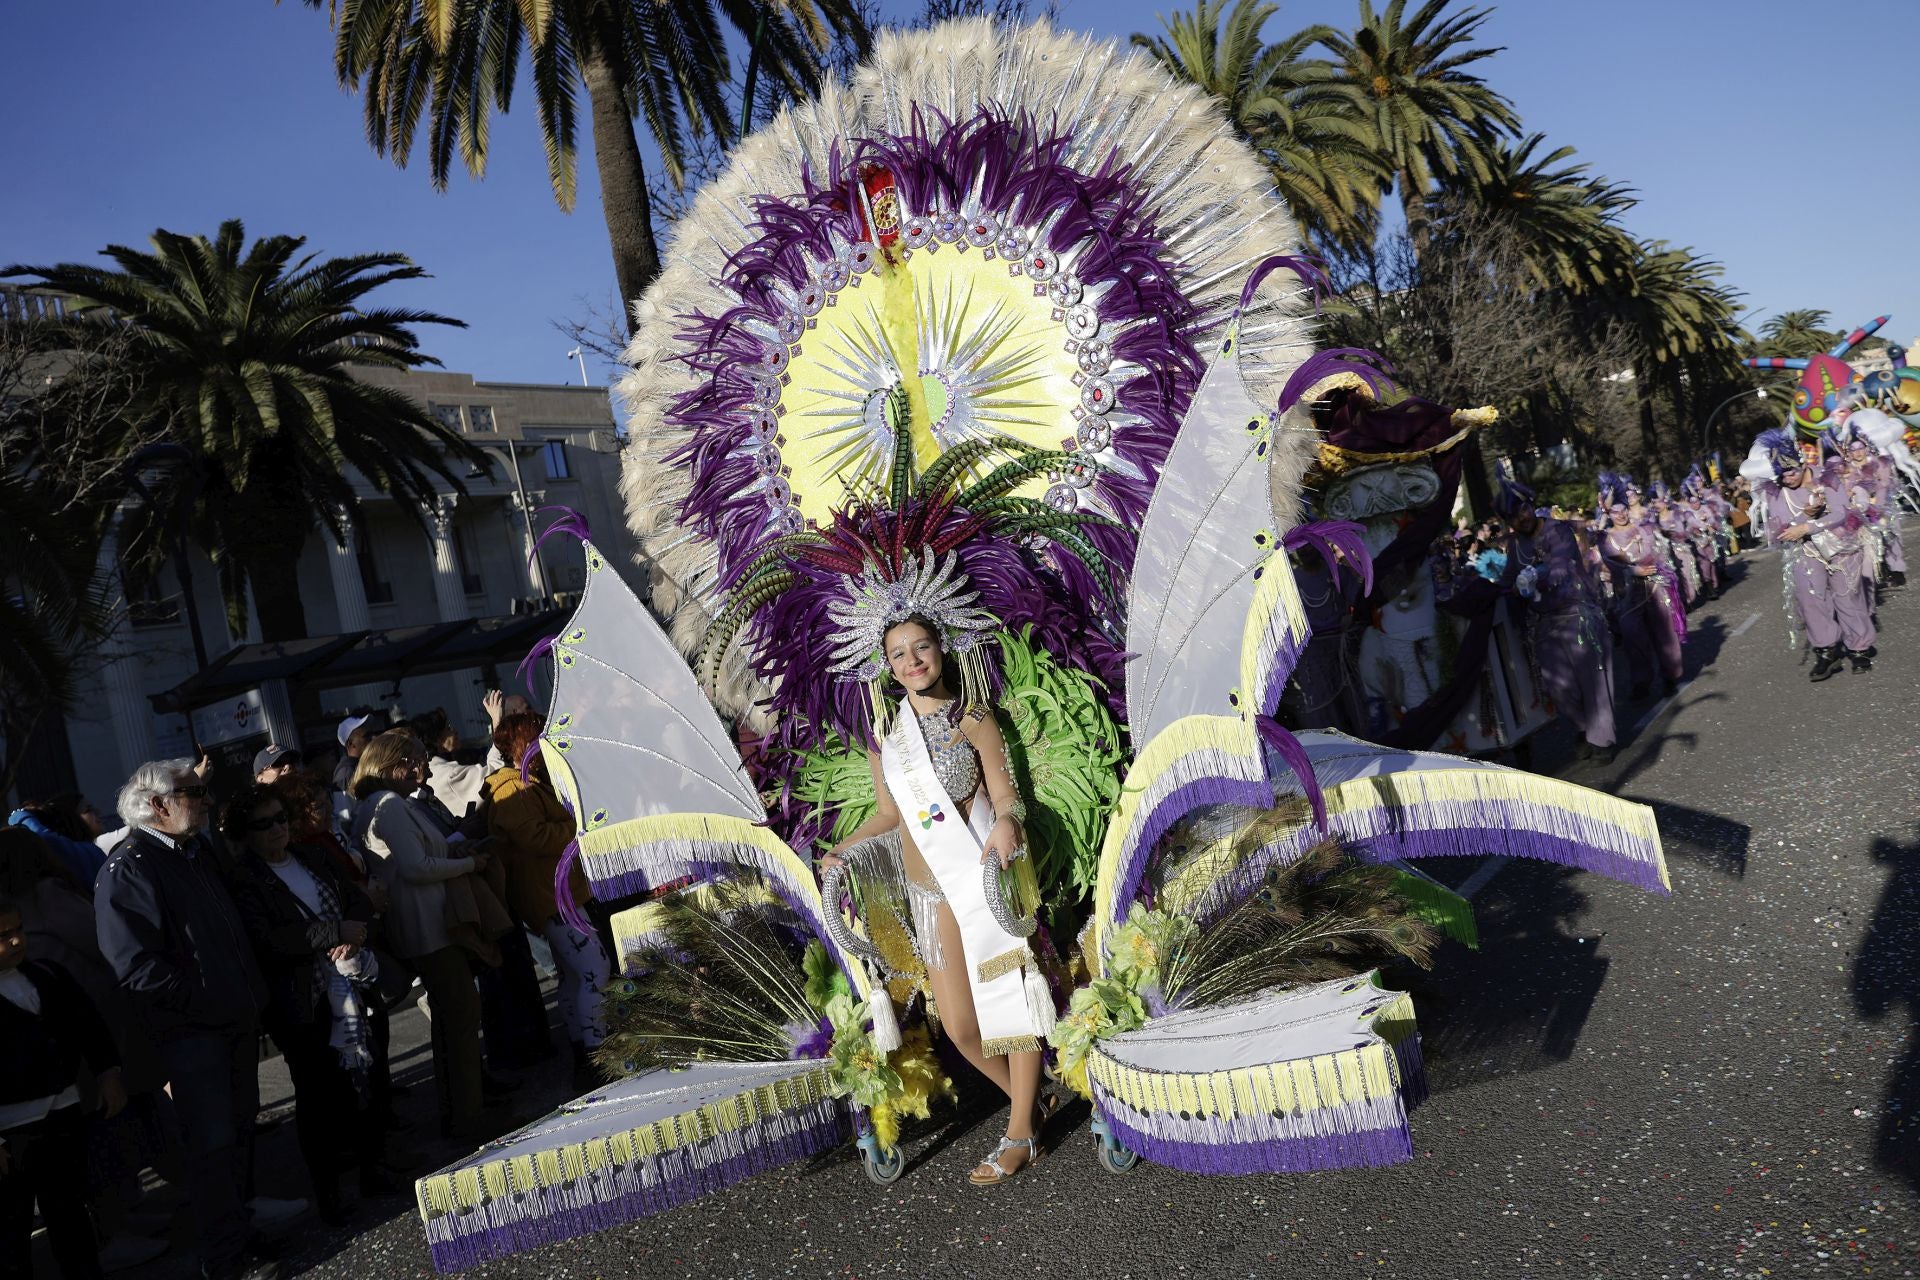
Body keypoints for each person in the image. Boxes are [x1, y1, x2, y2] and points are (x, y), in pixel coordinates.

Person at [820, 610, 1056, 1186]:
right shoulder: (887, 739)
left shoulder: (973, 718)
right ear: (888, 666)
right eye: (899, 654)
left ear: (941, 650)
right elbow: (888, 815)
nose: (912, 661)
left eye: (921, 647)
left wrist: (1005, 825)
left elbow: (1007, 799)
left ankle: (1021, 1131)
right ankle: (1034, 1100)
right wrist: (841, 850)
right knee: (960, 1027)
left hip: (981, 875)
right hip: (928, 892)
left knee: (1007, 1005)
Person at [94, 759, 280, 1280]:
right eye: (192, 791)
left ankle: (241, 1234)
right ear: (157, 805)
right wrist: (208, 1003)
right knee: (211, 1145)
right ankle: (224, 1260)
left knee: (238, 1134)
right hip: (192, 1034)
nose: (204, 798)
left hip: (231, 1022)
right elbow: (136, 968)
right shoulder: (131, 866)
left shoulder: (191, 852)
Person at [223, 785, 389, 1225]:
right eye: (264, 823)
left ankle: (374, 1169)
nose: (277, 828)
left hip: (350, 986)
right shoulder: (245, 880)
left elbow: (357, 899)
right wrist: (333, 933)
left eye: (281, 817)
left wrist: (355, 929)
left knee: (364, 1076)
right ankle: (329, 1195)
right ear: (245, 833)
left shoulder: (311, 856)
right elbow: (267, 941)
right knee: (318, 1098)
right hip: (300, 1002)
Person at [350, 732, 508, 1140]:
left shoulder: (384, 804)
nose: (423, 768)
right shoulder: (388, 805)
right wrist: (469, 864)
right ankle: (467, 1119)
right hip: (428, 927)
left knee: (451, 1020)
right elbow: (417, 868)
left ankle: (461, 1112)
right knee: (460, 1017)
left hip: (425, 923)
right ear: (391, 767)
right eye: (416, 760)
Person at [0, 896, 126, 1280]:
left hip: (63, 1110)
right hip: (11, 1130)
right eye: (2, 936)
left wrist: (108, 1073)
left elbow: (89, 1025)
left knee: (70, 1211)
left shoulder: (47, 974)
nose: (16, 941)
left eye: (18, 930)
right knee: (11, 1230)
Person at [484, 712, 610, 1078]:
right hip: (551, 896)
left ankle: (586, 1055)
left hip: (556, 893)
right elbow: (534, 837)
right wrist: (579, 826)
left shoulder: (524, 782)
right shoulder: (513, 787)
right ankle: (596, 1056)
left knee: (576, 976)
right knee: (593, 970)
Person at [1494, 469, 1618, 763]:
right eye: (1512, 517)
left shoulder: (1557, 530)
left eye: (1522, 510)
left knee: (1594, 682)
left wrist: (1536, 574)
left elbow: (1561, 563)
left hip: (1578, 616)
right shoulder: (1515, 545)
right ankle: (1585, 727)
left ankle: (1602, 740)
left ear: (1531, 505)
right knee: (1559, 687)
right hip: (1547, 625)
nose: (1520, 519)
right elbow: (1507, 579)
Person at [1754, 428, 1877, 679]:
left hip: (1842, 546)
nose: (1788, 478)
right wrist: (1804, 517)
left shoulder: (1826, 477)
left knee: (1847, 597)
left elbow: (1841, 512)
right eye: (1782, 474)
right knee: (1811, 600)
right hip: (1806, 550)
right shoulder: (1777, 491)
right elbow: (1781, 528)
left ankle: (1859, 649)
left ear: (1802, 464)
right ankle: (1826, 651)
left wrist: (1809, 525)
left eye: (1791, 472)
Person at [1597, 488, 1684, 700]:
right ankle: (1641, 681)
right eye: (1615, 511)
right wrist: (1631, 570)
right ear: (1608, 513)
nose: (1621, 514)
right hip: (1627, 595)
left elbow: (1652, 551)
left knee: (1663, 632)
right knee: (1632, 637)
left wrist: (1648, 564)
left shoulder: (1642, 529)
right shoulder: (1605, 538)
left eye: (1624, 509)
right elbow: (1609, 561)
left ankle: (1669, 676)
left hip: (1653, 587)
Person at [331, 716, 373, 794]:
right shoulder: (346, 773)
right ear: (350, 744)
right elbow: (344, 805)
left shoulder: (359, 765)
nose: (372, 739)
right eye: (366, 736)